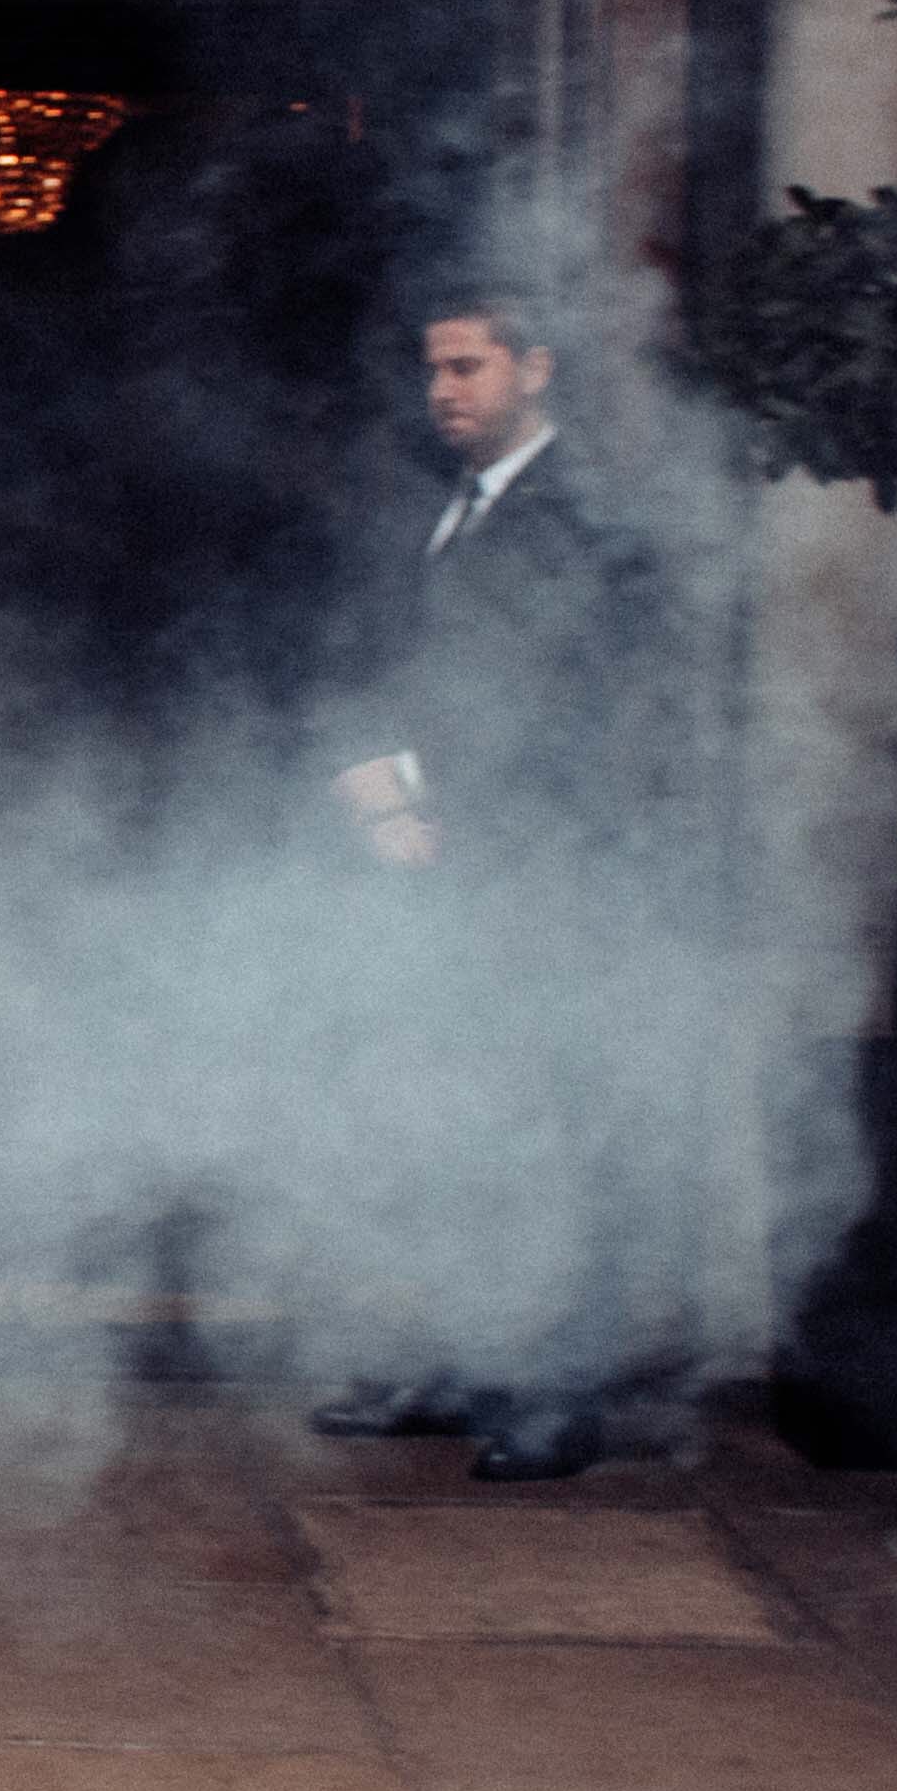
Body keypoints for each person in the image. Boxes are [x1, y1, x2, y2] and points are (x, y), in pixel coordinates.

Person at [314, 285, 668, 1481]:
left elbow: (592, 717)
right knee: (454, 1123)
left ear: (537, 368)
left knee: (557, 1130)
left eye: (468, 367)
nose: (444, 391)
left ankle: (557, 1396)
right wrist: (374, 780)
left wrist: (449, 811)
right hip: (448, 875)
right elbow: (395, 666)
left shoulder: (588, 516)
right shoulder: (448, 504)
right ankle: (467, 1364)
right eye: (434, 369)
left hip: (550, 878)